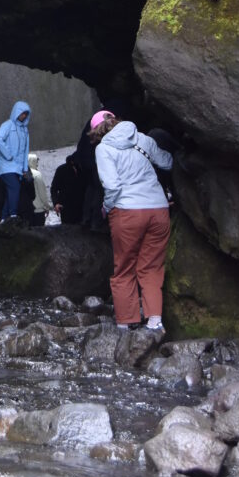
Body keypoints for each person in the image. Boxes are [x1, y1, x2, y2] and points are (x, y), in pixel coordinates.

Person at [91, 115, 173, 333]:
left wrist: (107, 207)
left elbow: (112, 186)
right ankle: (155, 320)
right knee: (152, 267)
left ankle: (126, 322)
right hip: (158, 209)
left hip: (127, 212)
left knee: (125, 267)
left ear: (96, 132)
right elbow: (167, 162)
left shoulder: (103, 149)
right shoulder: (142, 139)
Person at [0, 100, 31, 222]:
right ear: (17, 112)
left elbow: (26, 151)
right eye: (22, 113)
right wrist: (8, 155)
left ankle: (4, 219)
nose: (24, 116)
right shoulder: (8, 125)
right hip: (6, 166)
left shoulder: (25, 130)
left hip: (17, 168)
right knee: (15, 188)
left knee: (11, 192)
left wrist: (25, 169)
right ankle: (13, 215)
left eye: (26, 114)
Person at [50, 152, 87, 224]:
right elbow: (54, 188)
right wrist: (56, 203)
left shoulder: (82, 169)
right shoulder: (61, 170)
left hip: (82, 206)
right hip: (66, 207)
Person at [27, 152, 50, 226]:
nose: (37, 164)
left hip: (26, 210)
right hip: (38, 211)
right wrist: (47, 206)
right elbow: (42, 193)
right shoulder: (37, 174)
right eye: (36, 161)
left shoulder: (22, 174)